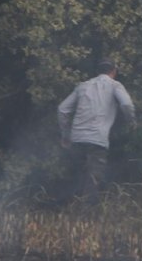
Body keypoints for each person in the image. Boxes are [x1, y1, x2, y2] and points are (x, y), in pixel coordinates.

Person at [58, 60, 135, 201]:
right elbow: (126, 104)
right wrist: (131, 122)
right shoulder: (115, 86)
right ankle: (85, 216)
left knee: (76, 178)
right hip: (97, 140)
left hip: (77, 138)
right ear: (114, 71)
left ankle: (69, 212)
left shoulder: (83, 86)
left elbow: (63, 109)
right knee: (93, 180)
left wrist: (65, 135)